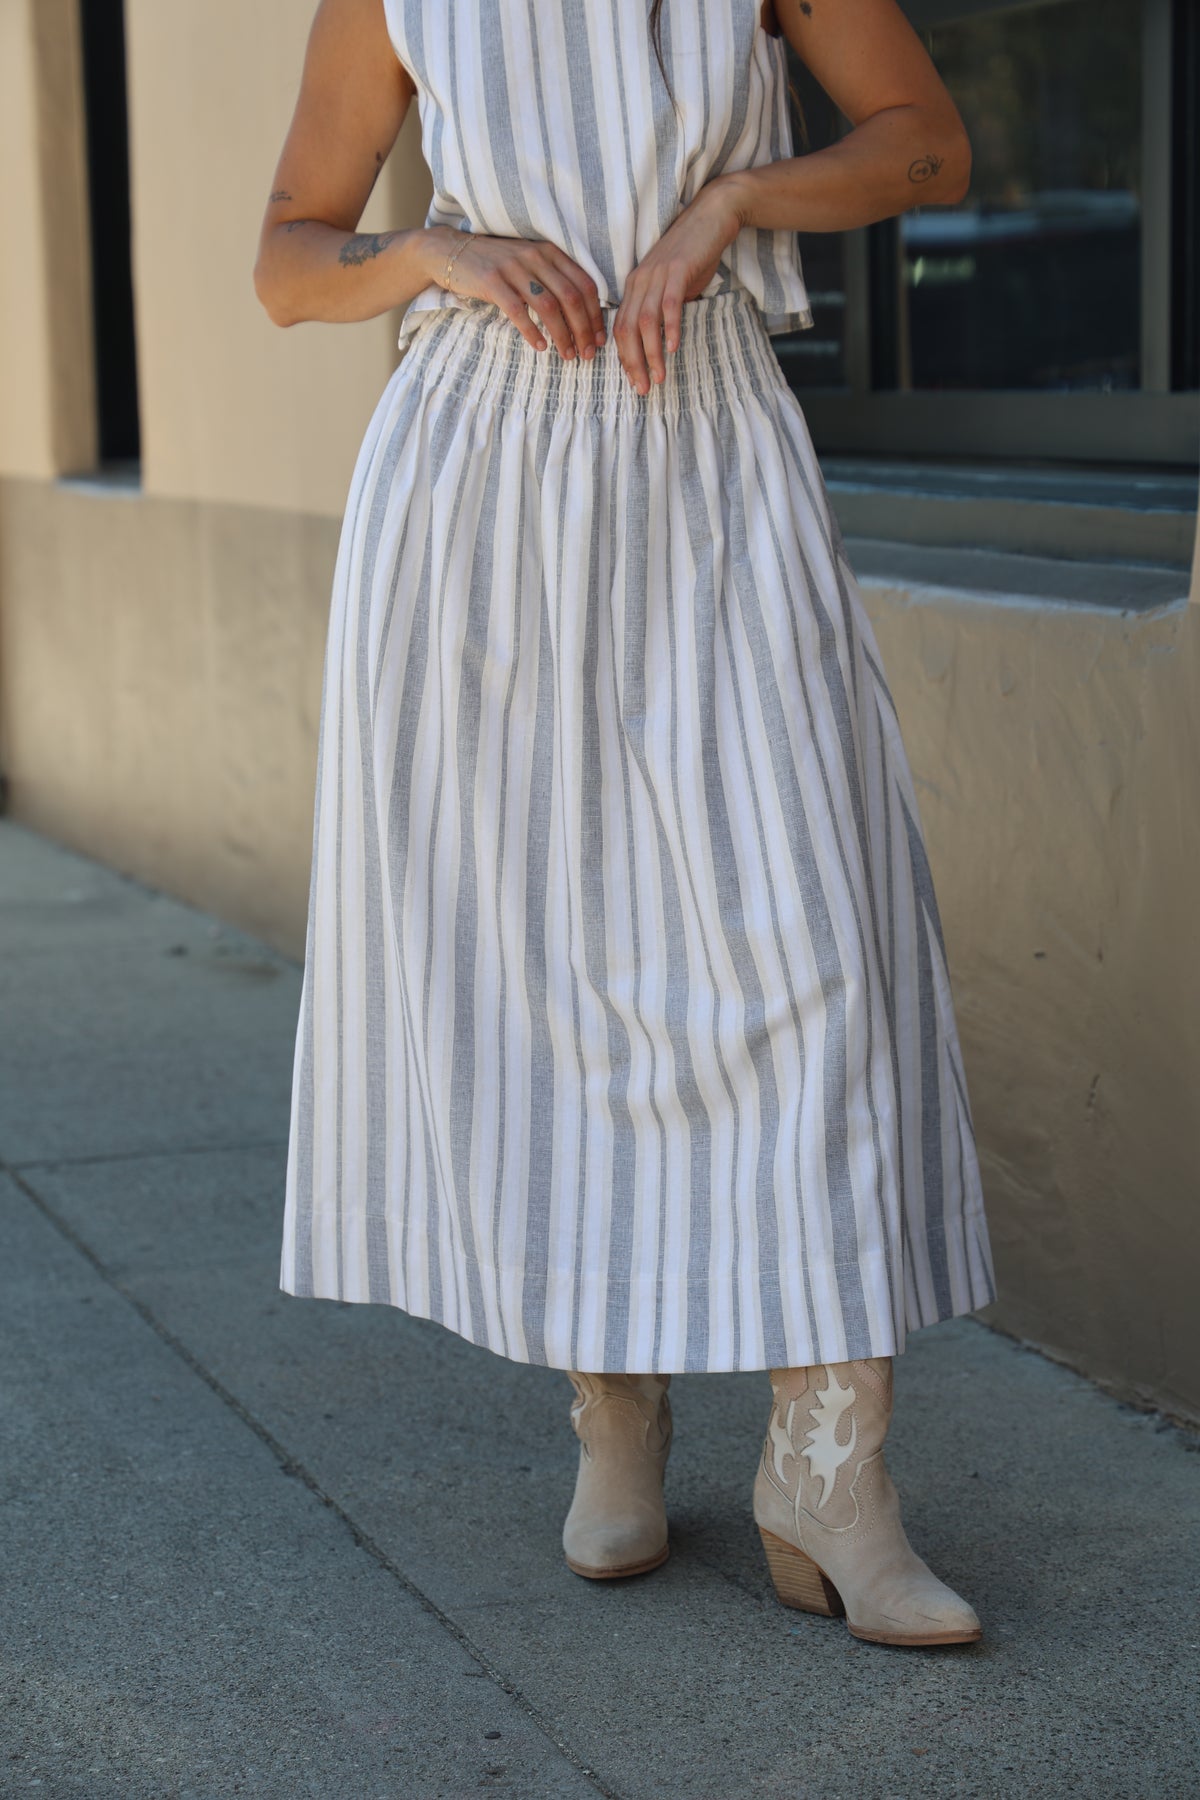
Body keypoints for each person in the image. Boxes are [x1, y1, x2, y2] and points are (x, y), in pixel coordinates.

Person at [254, 0, 996, 1650]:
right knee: (552, 964)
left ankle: (832, 1475)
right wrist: (432, 249)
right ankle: (617, 1407)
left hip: (712, 453)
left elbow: (926, 143)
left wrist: (736, 203)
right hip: (476, 499)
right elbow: (288, 260)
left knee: (817, 947)